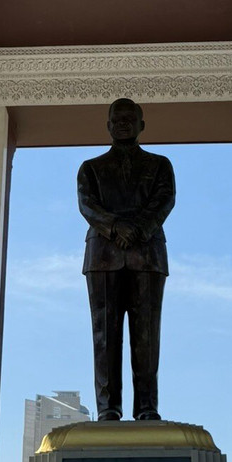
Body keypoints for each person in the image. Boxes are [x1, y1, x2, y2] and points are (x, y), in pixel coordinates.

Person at [77, 98, 176, 421]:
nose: (122, 123)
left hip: (147, 254)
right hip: (103, 256)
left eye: (129, 118)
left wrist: (138, 228)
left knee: (147, 336)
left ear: (141, 125)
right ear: (107, 126)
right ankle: (108, 407)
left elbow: (164, 200)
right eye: (116, 119)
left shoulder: (160, 165)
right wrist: (115, 226)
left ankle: (147, 406)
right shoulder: (90, 168)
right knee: (105, 336)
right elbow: (87, 205)